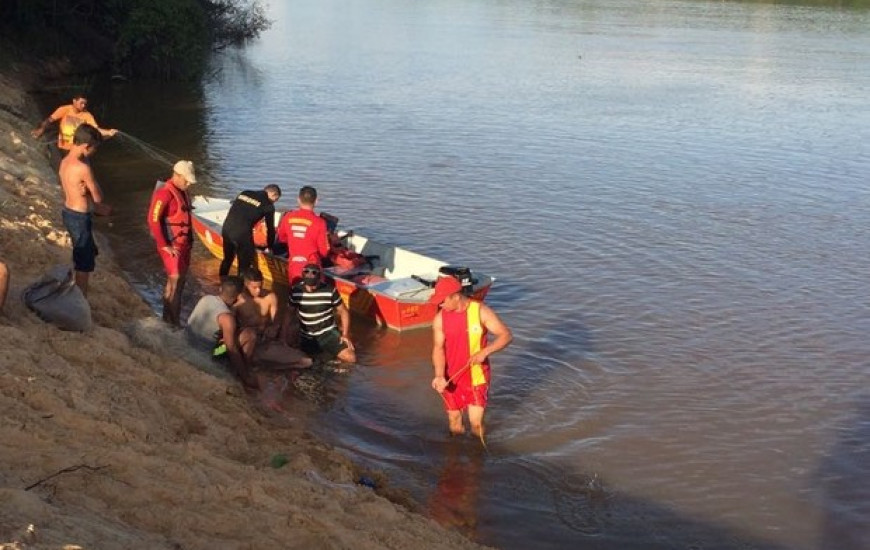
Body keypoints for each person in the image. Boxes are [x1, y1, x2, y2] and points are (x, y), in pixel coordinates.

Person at [430, 276, 513, 438]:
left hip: (476, 376)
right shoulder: (440, 318)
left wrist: (485, 352)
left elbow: (506, 336)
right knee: (454, 421)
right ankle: (454, 457)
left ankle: (478, 454)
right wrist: (439, 376)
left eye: (443, 300)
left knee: (476, 423)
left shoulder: (481, 311)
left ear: (455, 296)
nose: (440, 304)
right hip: (451, 377)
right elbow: (438, 348)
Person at [58, 124, 111, 296]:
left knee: (84, 252)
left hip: (68, 211)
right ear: (86, 146)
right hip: (80, 216)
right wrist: (90, 189)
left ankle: (77, 292)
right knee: (84, 263)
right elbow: (98, 197)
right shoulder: (83, 168)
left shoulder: (65, 161)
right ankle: (81, 299)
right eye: (94, 149)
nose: (94, 153)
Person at [147, 160, 197, 326]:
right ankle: (175, 325)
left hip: (184, 245)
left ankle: (166, 319)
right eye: (186, 180)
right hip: (172, 246)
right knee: (175, 282)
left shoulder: (182, 191)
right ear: (176, 175)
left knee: (178, 283)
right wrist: (164, 244)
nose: (189, 184)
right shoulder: (164, 193)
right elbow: (153, 220)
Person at [234, 267, 312, 370]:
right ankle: (250, 363)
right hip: (249, 342)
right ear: (246, 284)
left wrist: (274, 328)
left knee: (307, 361)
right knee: (250, 337)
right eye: (254, 287)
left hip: (265, 341)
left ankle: (265, 365)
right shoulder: (238, 299)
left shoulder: (270, 297)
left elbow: (276, 321)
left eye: (260, 286)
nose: (258, 290)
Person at [185, 277, 251, 386]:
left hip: (187, 342)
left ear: (220, 289)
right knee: (249, 335)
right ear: (239, 296)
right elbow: (231, 348)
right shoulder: (226, 317)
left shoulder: (207, 298)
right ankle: (239, 374)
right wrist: (246, 378)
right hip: (208, 355)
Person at [288, 263, 356, 363]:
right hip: (307, 335)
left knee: (350, 358)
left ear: (319, 279)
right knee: (306, 363)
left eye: (313, 285)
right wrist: (283, 336)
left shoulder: (330, 291)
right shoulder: (296, 291)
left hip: (328, 332)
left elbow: (343, 311)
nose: (310, 288)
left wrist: (345, 334)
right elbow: (288, 313)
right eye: (308, 284)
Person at [219, 185, 281, 278]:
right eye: (276, 199)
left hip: (227, 229)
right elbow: (270, 230)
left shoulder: (245, 193)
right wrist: (270, 247)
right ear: (274, 195)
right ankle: (241, 288)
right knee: (244, 266)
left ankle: (222, 282)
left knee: (227, 260)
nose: (274, 202)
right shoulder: (268, 205)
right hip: (242, 234)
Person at [276, 185, 330, 285]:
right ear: (316, 201)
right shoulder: (320, 222)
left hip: (294, 265)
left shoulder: (288, 217)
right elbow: (324, 252)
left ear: (298, 200)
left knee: (295, 295)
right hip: (313, 269)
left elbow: (282, 238)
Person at [31, 94, 118, 155]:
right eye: (81, 103)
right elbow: (49, 120)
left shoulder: (87, 115)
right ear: (74, 101)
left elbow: (95, 129)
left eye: (85, 104)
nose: (83, 106)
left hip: (75, 148)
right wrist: (41, 129)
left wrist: (109, 132)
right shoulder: (64, 109)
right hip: (62, 145)